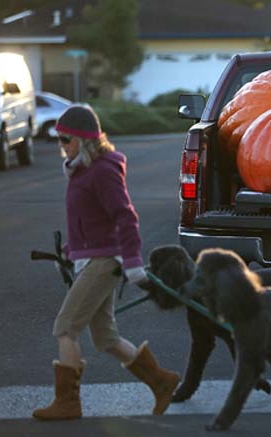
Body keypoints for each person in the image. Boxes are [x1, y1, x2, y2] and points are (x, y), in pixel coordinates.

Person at [33, 104, 180, 420]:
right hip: (91, 258)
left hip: (103, 261)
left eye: (65, 140)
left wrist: (132, 261)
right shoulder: (83, 169)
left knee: (65, 328)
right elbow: (90, 221)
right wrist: (71, 252)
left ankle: (68, 403)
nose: (61, 146)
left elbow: (124, 216)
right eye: (59, 139)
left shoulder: (102, 170)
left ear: (84, 140)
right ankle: (161, 381)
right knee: (106, 339)